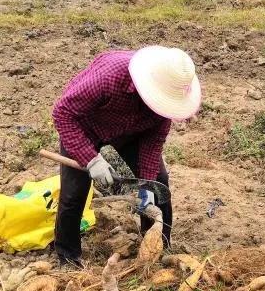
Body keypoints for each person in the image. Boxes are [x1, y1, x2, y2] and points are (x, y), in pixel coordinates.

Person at [51, 47, 202, 266]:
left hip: (132, 132)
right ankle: (68, 256)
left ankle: (156, 248)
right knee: (74, 193)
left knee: (157, 185)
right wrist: (91, 159)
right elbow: (63, 114)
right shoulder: (108, 77)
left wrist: (146, 185)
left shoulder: (165, 105)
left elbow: (152, 143)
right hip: (85, 127)